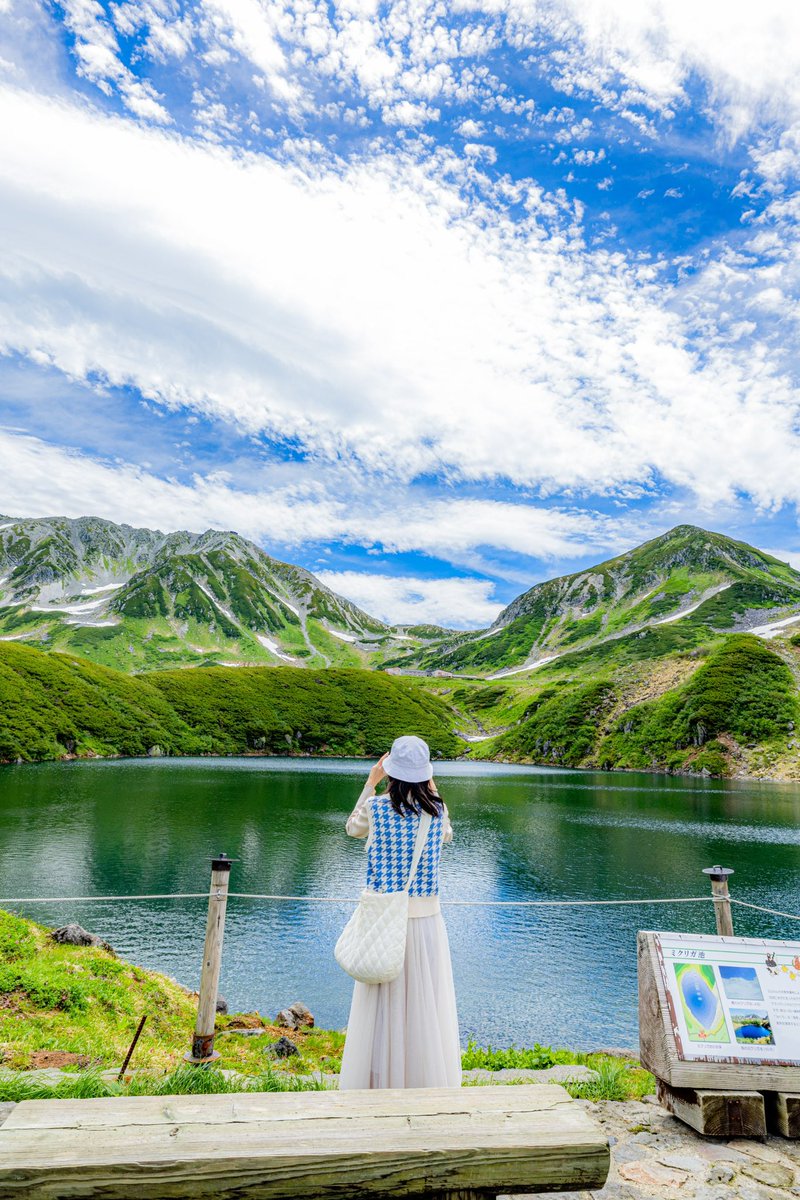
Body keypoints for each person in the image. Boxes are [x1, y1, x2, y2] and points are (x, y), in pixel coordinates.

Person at [338, 735, 462, 1090]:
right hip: (425, 923)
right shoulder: (436, 812)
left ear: (390, 772)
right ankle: (421, 1080)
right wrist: (434, 788)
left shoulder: (377, 809)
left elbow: (352, 829)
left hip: (384, 919)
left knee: (382, 1002)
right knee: (424, 1004)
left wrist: (370, 782)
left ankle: (379, 1079)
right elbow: (448, 835)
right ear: (426, 775)